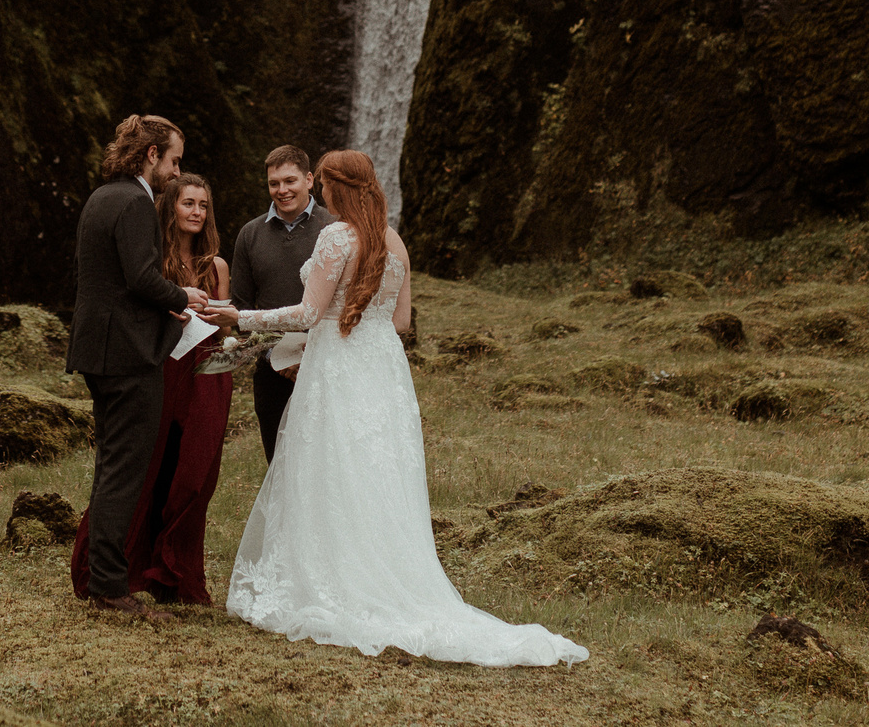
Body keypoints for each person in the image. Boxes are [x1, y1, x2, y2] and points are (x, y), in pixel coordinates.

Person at [194, 151, 588, 666]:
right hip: (382, 371)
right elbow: (401, 321)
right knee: (376, 474)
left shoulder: (336, 236)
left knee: (330, 470)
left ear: (330, 187)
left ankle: (336, 580)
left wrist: (240, 316)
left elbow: (310, 313)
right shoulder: (392, 238)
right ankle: (385, 571)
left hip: (339, 369)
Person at [69, 172, 234, 604]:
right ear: (170, 208)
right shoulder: (154, 261)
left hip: (205, 375)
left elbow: (222, 324)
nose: (196, 212)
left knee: (193, 476)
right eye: (188, 203)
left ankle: (175, 574)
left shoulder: (216, 266)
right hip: (160, 366)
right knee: (144, 470)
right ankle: (116, 568)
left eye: (203, 205)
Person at [229, 145, 336, 460]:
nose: (282, 190)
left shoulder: (334, 228)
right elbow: (242, 309)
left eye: (290, 181)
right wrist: (277, 356)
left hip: (325, 365)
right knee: (278, 464)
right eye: (274, 183)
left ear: (309, 180)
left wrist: (309, 355)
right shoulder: (250, 235)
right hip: (271, 372)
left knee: (324, 463)